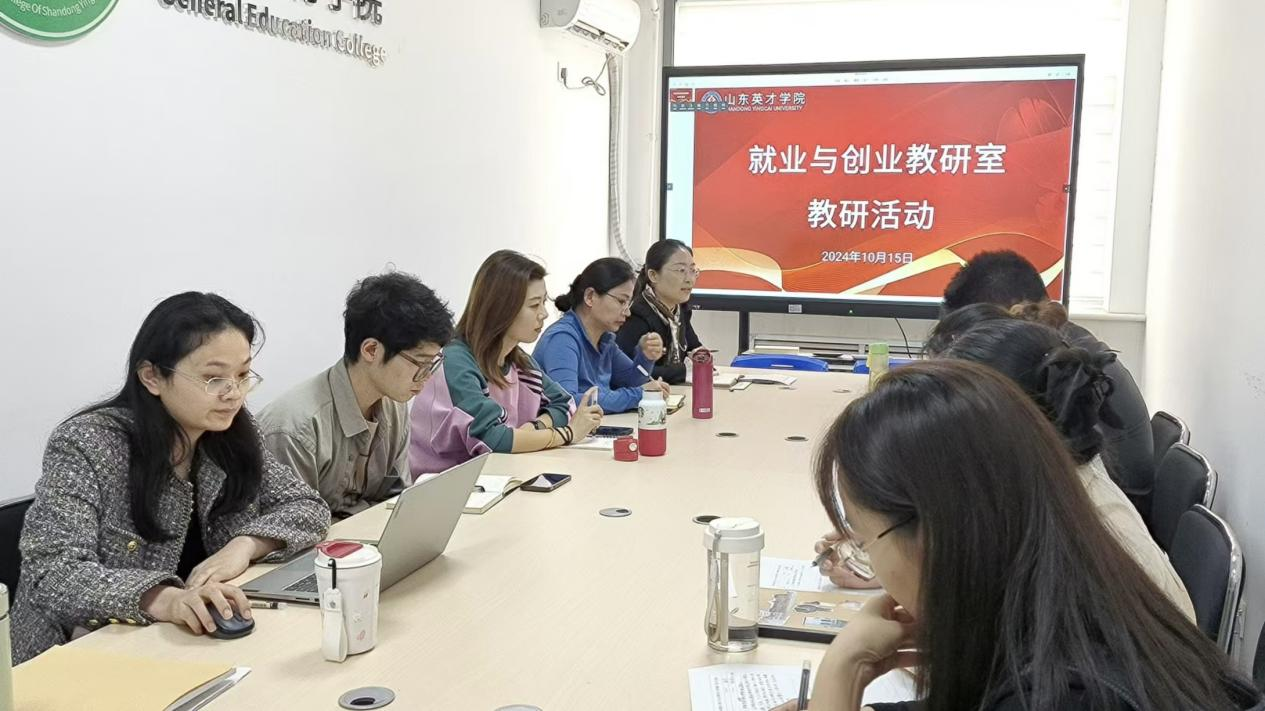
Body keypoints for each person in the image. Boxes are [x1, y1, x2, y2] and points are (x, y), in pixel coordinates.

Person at [775, 361, 1260, 711]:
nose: (870, 565)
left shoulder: (1062, 693)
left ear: (937, 535)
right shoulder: (1071, 593)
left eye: (864, 542)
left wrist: (842, 671)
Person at [12, 293, 330, 664]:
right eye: (213, 378)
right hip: (74, 656)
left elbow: (306, 506)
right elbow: (52, 572)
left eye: (243, 375)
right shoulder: (87, 444)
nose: (233, 394)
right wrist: (166, 599)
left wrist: (244, 546)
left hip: (190, 646)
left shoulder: (234, 433)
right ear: (152, 377)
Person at [820, 318, 1195, 620]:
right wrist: (895, 551)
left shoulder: (1074, 551)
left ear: (1001, 425)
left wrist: (898, 562)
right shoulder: (1064, 485)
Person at [940, 250, 1155, 509]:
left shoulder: (1059, 366)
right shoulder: (1062, 346)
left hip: (1102, 508)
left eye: (980, 331)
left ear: (1012, 313)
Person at [259, 272, 454, 519]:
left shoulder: (394, 406)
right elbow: (291, 527)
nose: (426, 377)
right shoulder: (294, 429)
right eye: (420, 363)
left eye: (432, 364)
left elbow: (395, 502)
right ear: (371, 350)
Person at [409, 250, 602, 475]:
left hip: (496, 476)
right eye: (534, 305)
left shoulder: (518, 360)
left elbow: (564, 404)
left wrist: (533, 428)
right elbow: (494, 440)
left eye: (543, 302)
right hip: (446, 485)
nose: (543, 314)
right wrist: (568, 434)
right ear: (501, 308)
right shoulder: (455, 361)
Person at [534, 257, 670, 414]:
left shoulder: (605, 340)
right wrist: (640, 394)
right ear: (590, 297)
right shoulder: (562, 339)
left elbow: (632, 381)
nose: (627, 312)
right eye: (622, 301)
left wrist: (645, 356)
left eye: (629, 304)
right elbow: (569, 401)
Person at [615, 239, 704, 384]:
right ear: (653, 275)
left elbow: (695, 348)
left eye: (693, 270)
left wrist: (703, 359)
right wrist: (684, 371)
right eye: (681, 270)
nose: (690, 279)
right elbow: (629, 372)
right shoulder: (635, 316)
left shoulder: (679, 309)